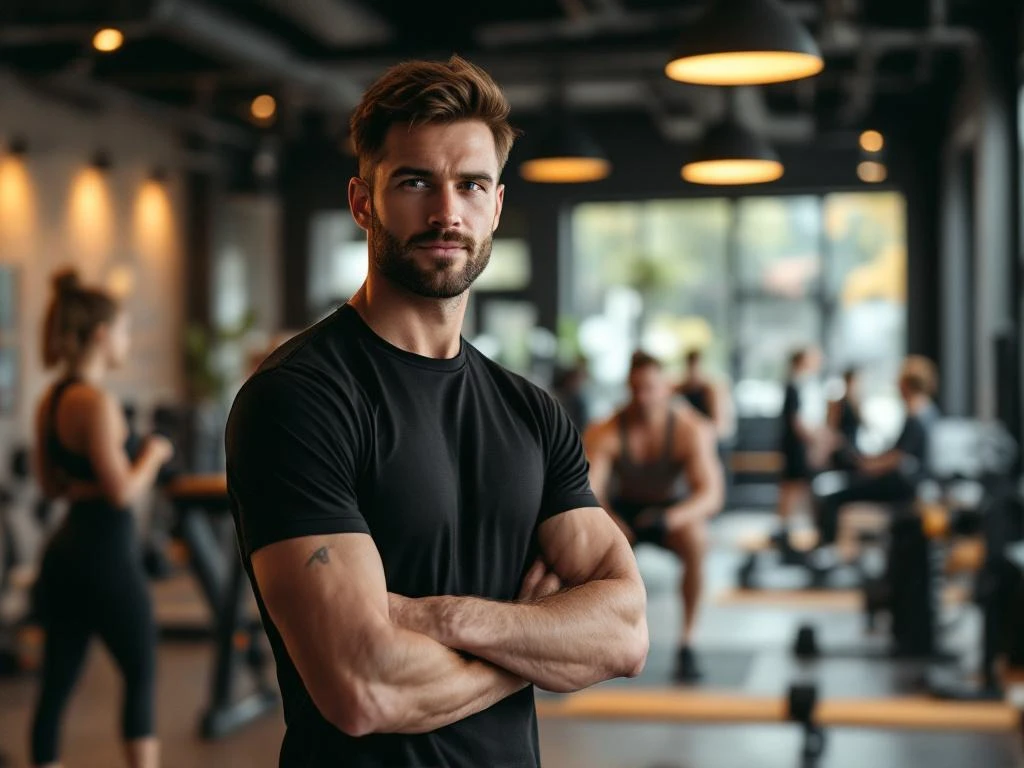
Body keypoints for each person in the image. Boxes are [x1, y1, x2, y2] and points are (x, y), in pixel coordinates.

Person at [225, 56, 648, 768]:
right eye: (416, 182)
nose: (447, 212)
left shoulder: (531, 414)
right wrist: (539, 641)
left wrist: (438, 617)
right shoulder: (298, 399)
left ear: (497, 206)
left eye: (471, 185)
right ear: (364, 202)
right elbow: (362, 687)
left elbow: (626, 633)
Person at [30, 269, 172, 768]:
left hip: (64, 552)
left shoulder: (50, 400)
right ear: (100, 334)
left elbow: (51, 486)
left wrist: (92, 481)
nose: (127, 341)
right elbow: (122, 494)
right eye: (125, 330)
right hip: (106, 556)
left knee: (55, 685)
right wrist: (152, 454)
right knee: (140, 672)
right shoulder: (98, 403)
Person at [584, 351, 724, 682]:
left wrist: (670, 519)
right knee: (580, 542)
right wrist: (612, 523)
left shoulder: (690, 429)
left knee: (696, 541)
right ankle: (586, 640)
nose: (642, 397)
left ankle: (687, 643)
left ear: (666, 388)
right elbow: (588, 492)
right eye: (635, 389)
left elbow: (711, 495)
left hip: (668, 511)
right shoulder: (606, 430)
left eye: (650, 388)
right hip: (622, 510)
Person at [811, 356, 941, 566]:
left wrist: (868, 465)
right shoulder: (927, 412)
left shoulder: (917, 416)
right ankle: (834, 553)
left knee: (834, 497)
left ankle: (828, 554)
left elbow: (897, 457)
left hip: (905, 486)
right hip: (909, 482)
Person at [774, 347, 821, 550]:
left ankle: (790, 527)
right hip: (795, 445)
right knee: (793, 486)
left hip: (795, 444)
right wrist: (815, 439)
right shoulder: (793, 386)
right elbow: (796, 422)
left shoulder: (799, 385)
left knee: (796, 486)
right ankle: (785, 528)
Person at [677, 348, 733, 439]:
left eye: (696, 367)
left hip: (711, 437)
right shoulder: (680, 389)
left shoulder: (711, 391)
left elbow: (720, 428)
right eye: (690, 367)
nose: (693, 372)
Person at [827, 367, 862, 471]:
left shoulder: (856, 404)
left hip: (853, 448)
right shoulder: (839, 404)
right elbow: (832, 427)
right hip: (843, 450)